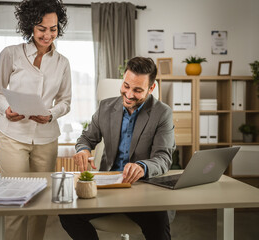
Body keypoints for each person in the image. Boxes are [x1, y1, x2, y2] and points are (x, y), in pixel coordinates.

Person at [59, 57, 175, 240]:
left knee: (159, 226)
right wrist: (83, 150)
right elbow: (87, 138)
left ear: (151, 88)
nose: (128, 94)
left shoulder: (162, 113)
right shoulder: (106, 107)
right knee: (67, 214)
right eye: (126, 86)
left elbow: (163, 157)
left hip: (142, 188)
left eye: (137, 90)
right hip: (108, 186)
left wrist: (143, 167)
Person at [0, 0, 71, 239]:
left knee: (40, 203)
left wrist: (51, 114)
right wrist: (6, 110)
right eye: (41, 28)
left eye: (53, 28)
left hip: (46, 138)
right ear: (30, 27)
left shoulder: (62, 63)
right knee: (15, 199)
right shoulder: (11, 54)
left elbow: (65, 101)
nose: (48, 34)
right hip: (12, 135)